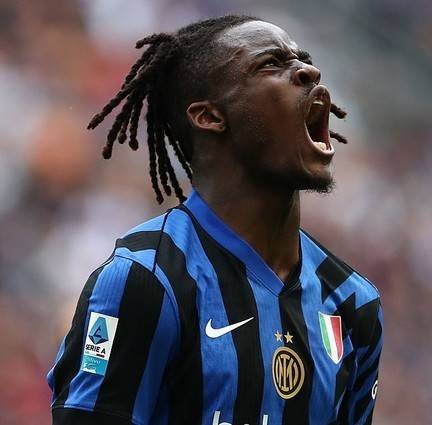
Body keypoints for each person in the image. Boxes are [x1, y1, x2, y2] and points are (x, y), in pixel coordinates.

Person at [47, 14, 383, 425]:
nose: (309, 72)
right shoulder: (148, 280)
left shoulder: (353, 302)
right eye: (271, 64)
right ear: (210, 116)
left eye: (304, 60)